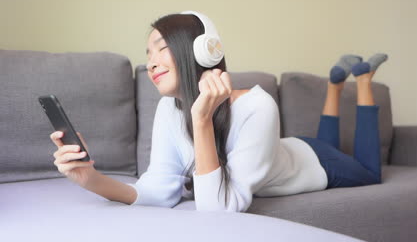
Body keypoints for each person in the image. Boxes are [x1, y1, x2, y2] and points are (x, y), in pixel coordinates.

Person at [49, 11, 387, 213]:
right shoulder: (169, 108)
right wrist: (91, 179)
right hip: (291, 147)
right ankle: (334, 86)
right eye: (147, 53)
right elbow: (159, 188)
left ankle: (365, 80)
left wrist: (202, 119)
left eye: (162, 48)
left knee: (370, 173)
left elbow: (218, 208)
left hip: (315, 163)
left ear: (202, 51)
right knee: (324, 139)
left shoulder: (258, 105)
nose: (151, 62)